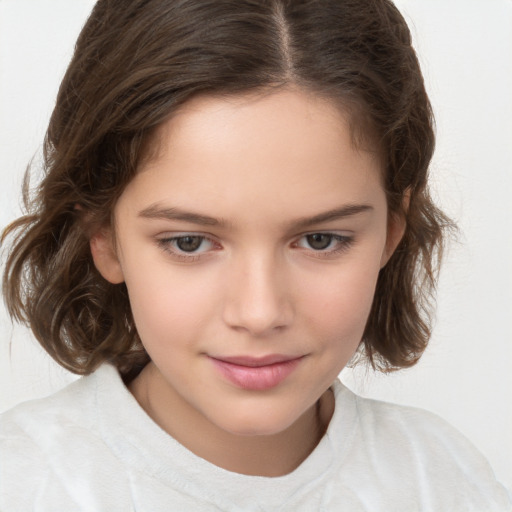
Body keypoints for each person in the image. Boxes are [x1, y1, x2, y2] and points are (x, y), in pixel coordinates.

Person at [0, 0, 510, 510]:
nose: (259, 312)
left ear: (389, 234)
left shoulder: (445, 482)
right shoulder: (21, 484)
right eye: (189, 242)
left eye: (320, 240)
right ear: (104, 239)